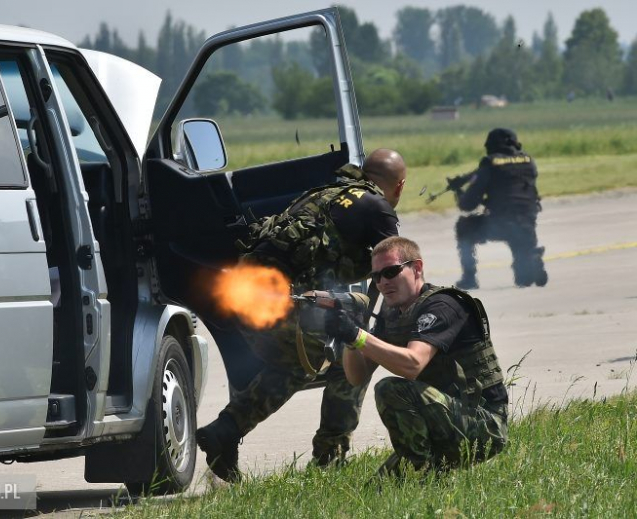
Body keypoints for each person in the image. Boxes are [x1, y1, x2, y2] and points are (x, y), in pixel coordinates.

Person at [196, 149, 408, 482]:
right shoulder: (378, 206)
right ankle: (325, 457)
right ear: (399, 186)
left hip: (240, 292)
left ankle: (227, 435)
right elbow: (394, 270)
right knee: (340, 359)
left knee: (317, 363)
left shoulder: (324, 192)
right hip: (277, 298)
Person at [323, 236, 509, 475]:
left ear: (417, 268)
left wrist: (358, 335)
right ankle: (427, 472)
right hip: (443, 415)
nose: (382, 283)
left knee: (391, 389)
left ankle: (426, 477)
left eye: (390, 272)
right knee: (380, 492)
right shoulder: (392, 312)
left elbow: (413, 364)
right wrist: (350, 338)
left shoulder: (443, 306)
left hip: (483, 424)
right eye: (376, 276)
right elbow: (357, 377)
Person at [451, 128, 548, 289]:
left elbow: (468, 204)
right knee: (523, 280)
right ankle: (532, 257)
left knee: (464, 227)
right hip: (527, 225)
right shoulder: (528, 161)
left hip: (501, 223)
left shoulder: (489, 163)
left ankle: (469, 278)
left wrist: (459, 192)